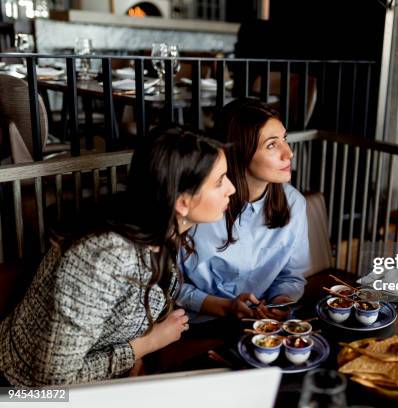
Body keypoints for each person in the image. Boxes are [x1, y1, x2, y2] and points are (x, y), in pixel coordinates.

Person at [0, 126, 235, 386]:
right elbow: (53, 382)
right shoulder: (104, 257)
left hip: (101, 381)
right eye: (219, 181)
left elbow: (124, 308)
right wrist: (144, 346)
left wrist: (136, 357)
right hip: (21, 389)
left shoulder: (160, 228)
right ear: (182, 202)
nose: (231, 189)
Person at [179, 98, 309, 321]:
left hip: (264, 323)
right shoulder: (200, 206)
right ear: (241, 152)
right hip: (196, 324)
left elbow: (292, 276)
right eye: (271, 145)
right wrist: (223, 307)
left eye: (284, 139)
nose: (289, 153)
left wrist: (280, 303)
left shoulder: (294, 203)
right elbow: (169, 286)